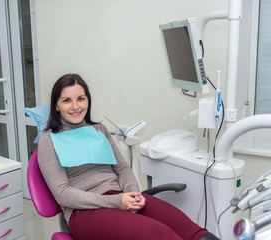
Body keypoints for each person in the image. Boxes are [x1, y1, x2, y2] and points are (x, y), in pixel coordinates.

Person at [38, 73, 220, 240]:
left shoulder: (99, 130)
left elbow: (122, 168)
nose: (76, 106)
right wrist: (115, 202)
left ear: (88, 101)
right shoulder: (49, 141)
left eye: (81, 99)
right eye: (67, 100)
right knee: (160, 234)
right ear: (56, 105)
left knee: (191, 230)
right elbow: (63, 194)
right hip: (85, 212)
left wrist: (134, 194)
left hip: (122, 198)